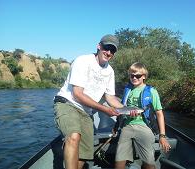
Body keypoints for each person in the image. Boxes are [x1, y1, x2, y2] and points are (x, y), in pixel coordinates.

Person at [53, 34, 123, 169]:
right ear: (99, 46)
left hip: (87, 111)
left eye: (112, 50)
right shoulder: (82, 61)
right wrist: (105, 109)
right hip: (67, 103)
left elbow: (110, 98)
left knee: (84, 154)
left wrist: (126, 109)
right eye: (106, 47)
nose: (108, 52)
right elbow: (77, 94)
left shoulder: (110, 71)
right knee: (74, 136)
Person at [114, 62, 171, 169]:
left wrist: (162, 136)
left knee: (149, 163)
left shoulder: (152, 92)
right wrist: (116, 126)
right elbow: (122, 109)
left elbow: (159, 113)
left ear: (144, 77)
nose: (134, 78)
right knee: (118, 161)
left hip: (144, 127)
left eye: (138, 76)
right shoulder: (127, 90)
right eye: (132, 75)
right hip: (127, 127)